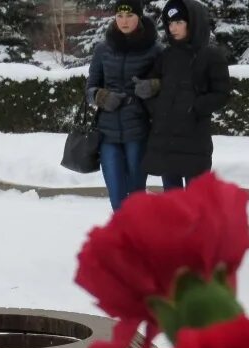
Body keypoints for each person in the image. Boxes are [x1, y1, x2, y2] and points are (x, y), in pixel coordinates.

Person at [138, 0, 230, 191]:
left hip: (194, 140)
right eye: (170, 23)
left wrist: (195, 107)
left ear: (193, 23)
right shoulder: (166, 56)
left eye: (179, 22)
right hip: (166, 141)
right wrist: (157, 107)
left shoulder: (211, 56)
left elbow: (221, 94)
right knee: (173, 202)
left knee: (196, 202)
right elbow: (147, 88)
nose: (173, 28)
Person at [86, 0, 163, 211]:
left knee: (136, 193)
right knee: (117, 198)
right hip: (107, 132)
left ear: (139, 17)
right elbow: (90, 89)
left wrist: (154, 85)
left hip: (138, 131)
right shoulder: (103, 49)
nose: (124, 21)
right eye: (119, 16)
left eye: (129, 16)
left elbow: (169, 82)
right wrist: (100, 96)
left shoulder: (154, 49)